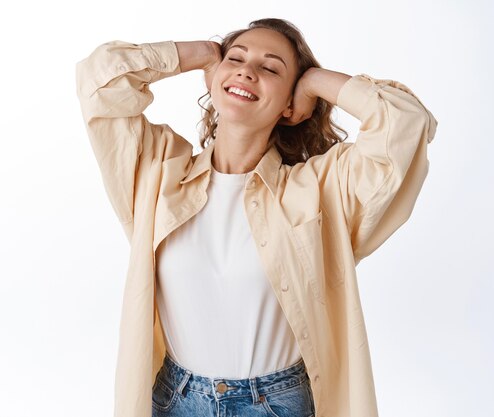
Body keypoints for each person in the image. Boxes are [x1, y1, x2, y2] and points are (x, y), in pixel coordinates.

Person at [76, 18, 437, 417]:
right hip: (175, 399)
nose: (247, 70)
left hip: (276, 404)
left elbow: (407, 122)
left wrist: (316, 81)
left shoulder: (319, 192)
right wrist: (203, 55)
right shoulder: (158, 173)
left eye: (271, 68)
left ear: (290, 105)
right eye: (237, 58)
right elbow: (101, 81)